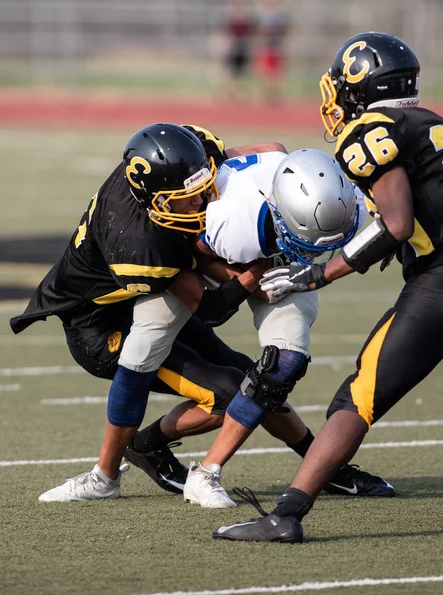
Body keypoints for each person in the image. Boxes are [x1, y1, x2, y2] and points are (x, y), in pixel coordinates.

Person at [212, 31, 433, 543]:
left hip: (438, 283)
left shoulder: (370, 130)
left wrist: (320, 272)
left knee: (356, 399)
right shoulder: (430, 124)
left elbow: (397, 223)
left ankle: (286, 515)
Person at [10, 122, 268, 502]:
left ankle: (326, 463)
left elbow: (258, 152)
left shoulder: (170, 162)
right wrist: (251, 276)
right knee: (229, 395)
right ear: (156, 201)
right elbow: (209, 308)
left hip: (137, 305)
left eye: (201, 188)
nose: (201, 201)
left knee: (254, 378)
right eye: (189, 196)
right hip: (99, 329)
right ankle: (113, 469)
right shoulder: (139, 248)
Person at [178, 147, 394, 507]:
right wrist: (246, 279)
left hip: (285, 267)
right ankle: (148, 453)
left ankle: (206, 472)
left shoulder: (349, 202)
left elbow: (277, 149)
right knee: (153, 357)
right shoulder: (234, 220)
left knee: (283, 363)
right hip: (225, 259)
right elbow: (198, 253)